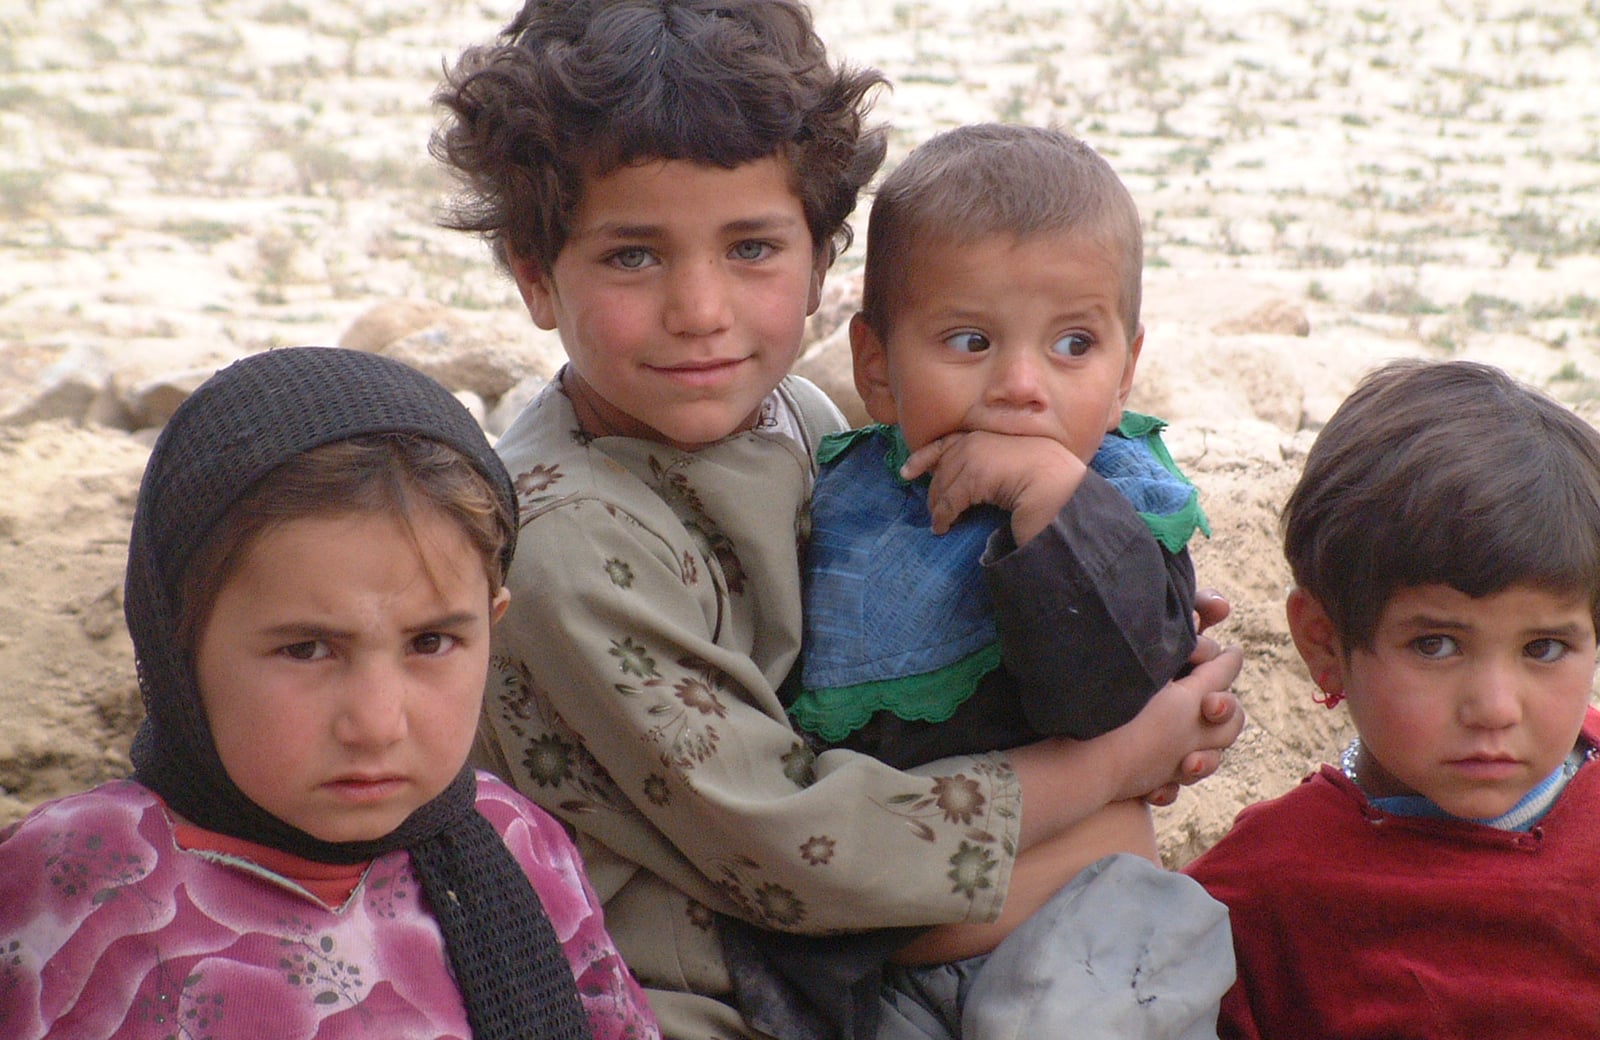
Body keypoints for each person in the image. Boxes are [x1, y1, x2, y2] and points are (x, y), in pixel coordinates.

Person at [432, 3, 1245, 1038]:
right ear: (536, 274)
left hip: (843, 954)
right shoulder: (564, 544)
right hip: (694, 992)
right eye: (634, 255)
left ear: (821, 262)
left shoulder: (796, 422)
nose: (700, 308)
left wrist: (1116, 610)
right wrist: (1121, 756)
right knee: (1119, 855)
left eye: (751, 247)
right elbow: (789, 849)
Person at [0, 347, 659, 1040]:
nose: (376, 725)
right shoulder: (70, 884)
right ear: (176, 648)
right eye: (307, 649)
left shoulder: (518, 849)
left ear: (492, 628)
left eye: (431, 643)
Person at [746, 123, 1231, 1040]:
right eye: (969, 340)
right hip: (892, 977)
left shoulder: (1116, 506)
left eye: (1073, 345)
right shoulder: (845, 506)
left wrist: (1050, 506)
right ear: (876, 367)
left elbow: (1109, 688)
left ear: (1128, 368)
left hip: (1092, 948)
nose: (1020, 385)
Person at [1183, 358, 1600, 1039]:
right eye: (1436, 645)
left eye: (1544, 649)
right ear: (1324, 643)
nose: (1495, 708)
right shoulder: (1261, 897)